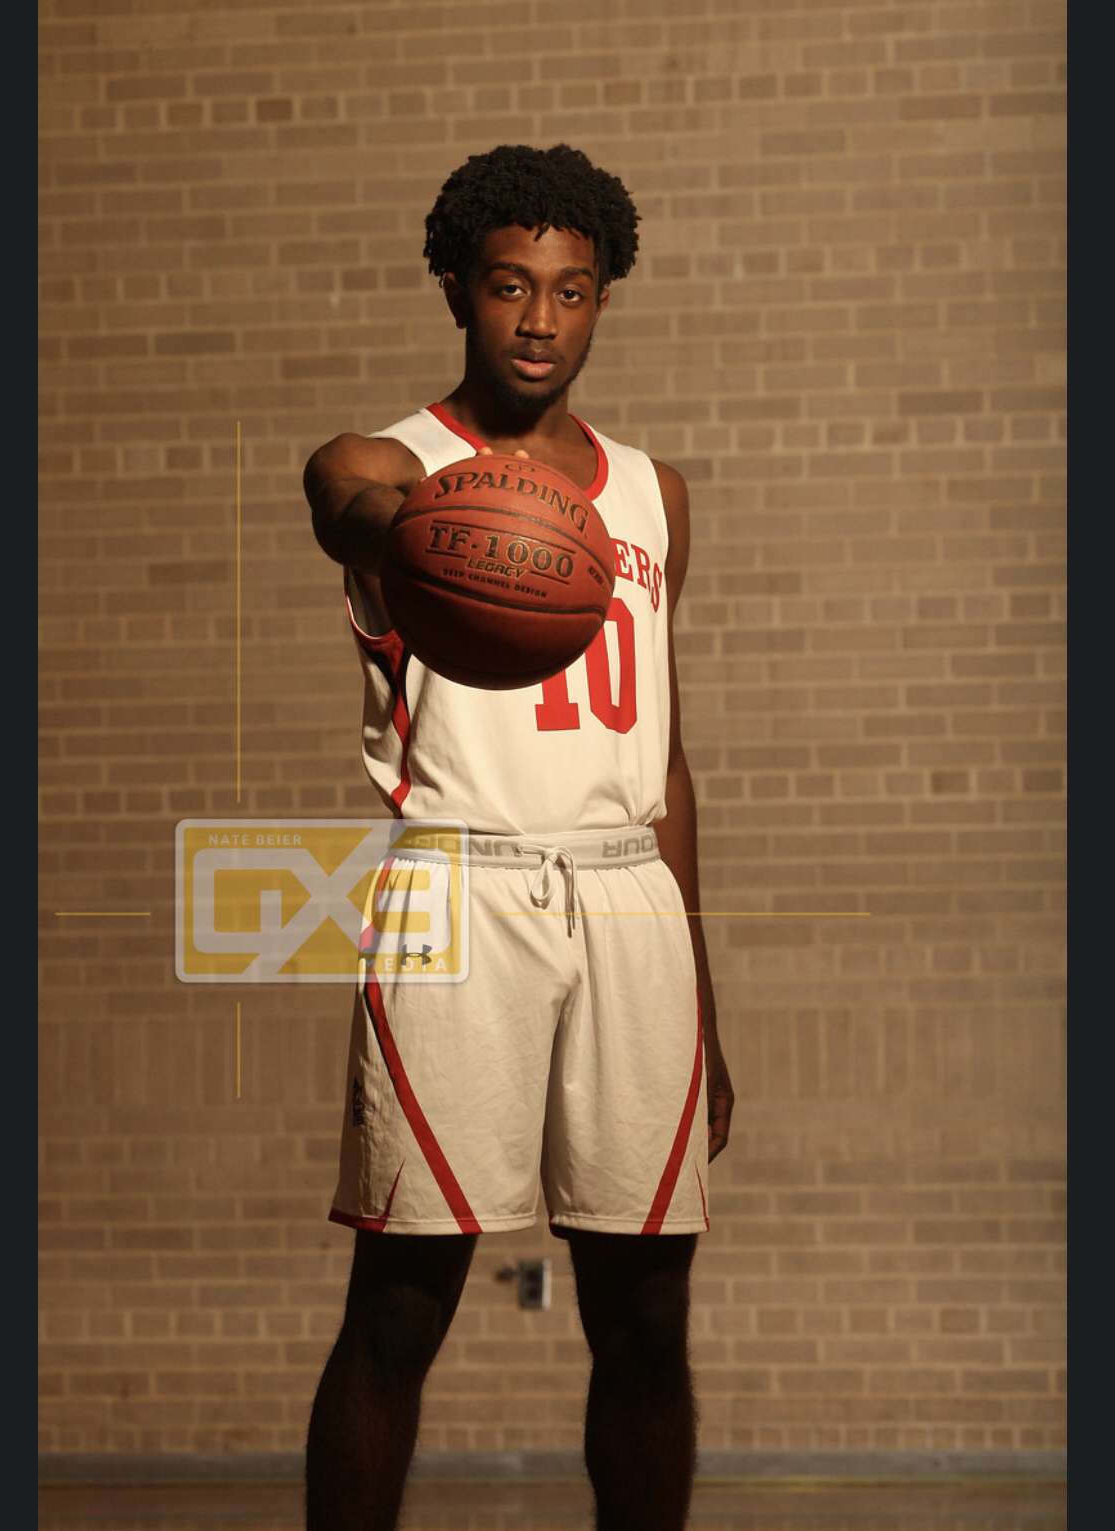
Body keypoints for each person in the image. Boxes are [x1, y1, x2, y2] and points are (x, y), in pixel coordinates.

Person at [302, 143, 735, 1531]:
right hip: (457, 886)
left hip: (627, 907)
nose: (539, 321)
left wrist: (704, 997)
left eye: (571, 290)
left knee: (648, 1310)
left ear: (603, 300)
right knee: (402, 1300)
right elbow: (347, 508)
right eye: (507, 287)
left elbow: (664, 760)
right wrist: (413, 532)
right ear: (456, 290)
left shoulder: (652, 494)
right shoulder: (387, 463)